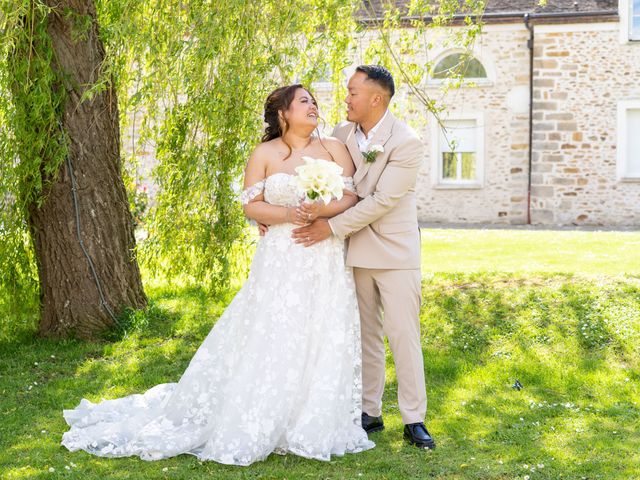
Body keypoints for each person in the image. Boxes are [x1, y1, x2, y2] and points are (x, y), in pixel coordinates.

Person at [60, 84, 374, 465]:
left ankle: (309, 419)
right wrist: (291, 214)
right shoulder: (264, 154)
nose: (314, 106)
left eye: (314, 101)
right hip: (280, 256)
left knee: (321, 330)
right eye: (304, 101)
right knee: (275, 330)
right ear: (283, 114)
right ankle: (265, 411)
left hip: (323, 254)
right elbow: (250, 206)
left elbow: (351, 197)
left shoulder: (335, 148)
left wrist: (320, 212)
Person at [292, 65, 435, 449]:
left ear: (376, 98)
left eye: (352, 92)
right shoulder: (340, 135)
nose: (345, 99)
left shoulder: (407, 141)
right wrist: (278, 210)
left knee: (404, 336)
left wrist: (331, 227)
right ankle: (368, 411)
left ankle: (414, 418)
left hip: (394, 253)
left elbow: (383, 200)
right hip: (353, 252)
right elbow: (313, 173)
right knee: (364, 336)